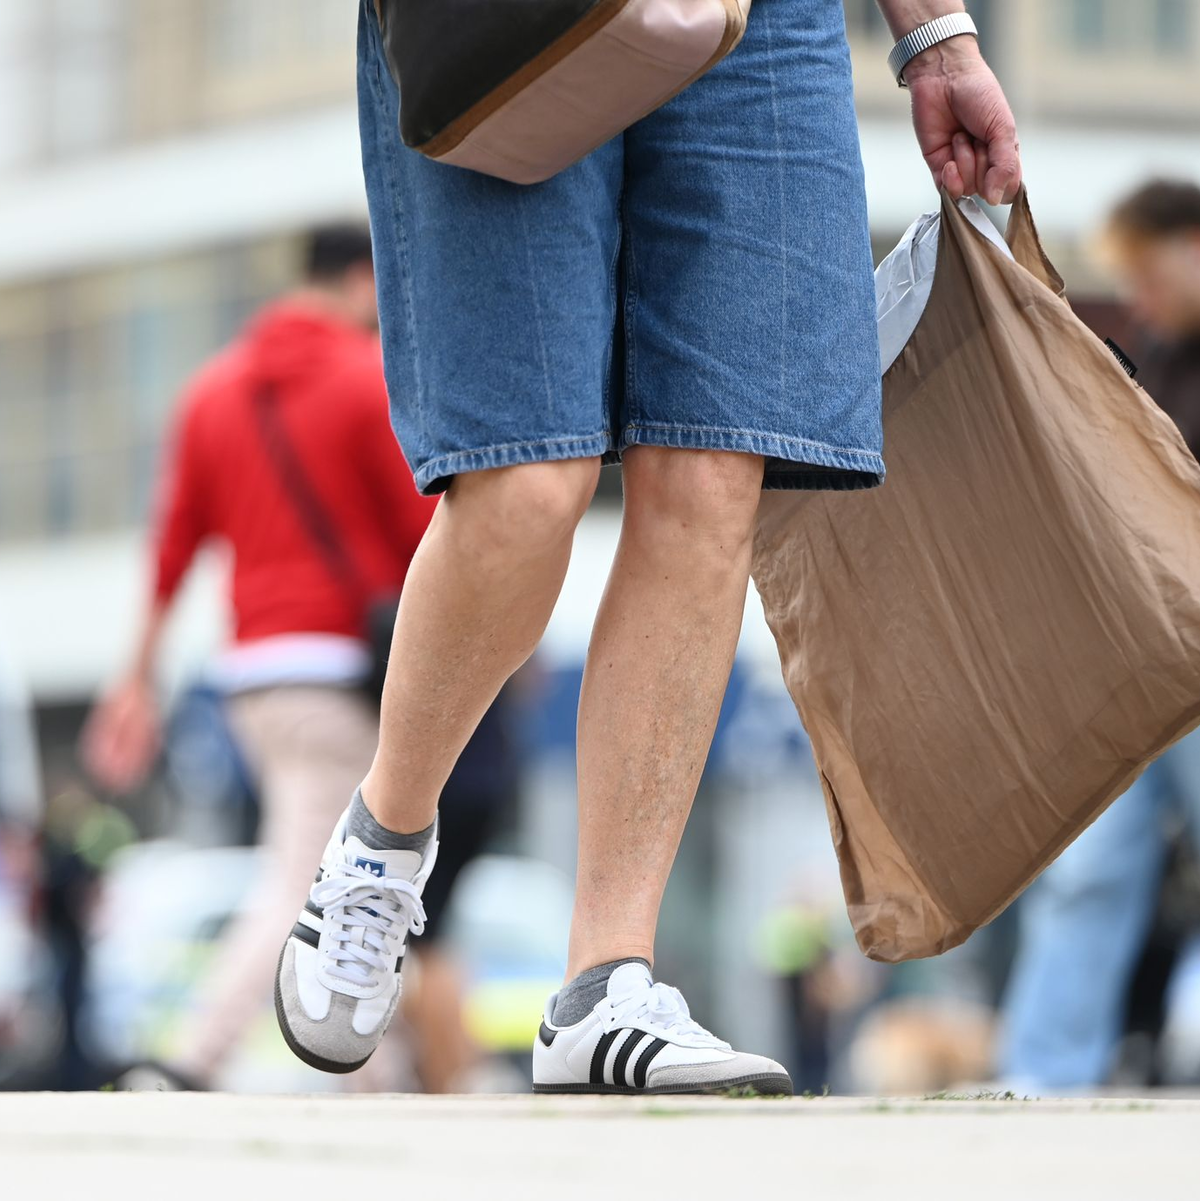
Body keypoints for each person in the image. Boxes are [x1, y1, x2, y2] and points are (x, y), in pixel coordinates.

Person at [274, 0, 1022, 1096]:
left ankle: (604, 982)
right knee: (528, 476)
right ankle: (384, 837)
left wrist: (934, 31)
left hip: (764, 24)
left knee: (717, 464)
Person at [82, 225, 437, 1088]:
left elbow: (171, 546)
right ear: (360, 280)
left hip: (249, 676)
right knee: (309, 881)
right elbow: (427, 539)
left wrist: (136, 676)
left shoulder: (212, 391)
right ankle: (188, 1061)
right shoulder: (364, 382)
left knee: (326, 871)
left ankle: (370, 1077)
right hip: (340, 674)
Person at [999, 180, 1200, 1092]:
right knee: (1086, 874)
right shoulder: (1156, 355)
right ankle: (1044, 1077)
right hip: (1138, 658)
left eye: (1149, 272)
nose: (1140, 294)